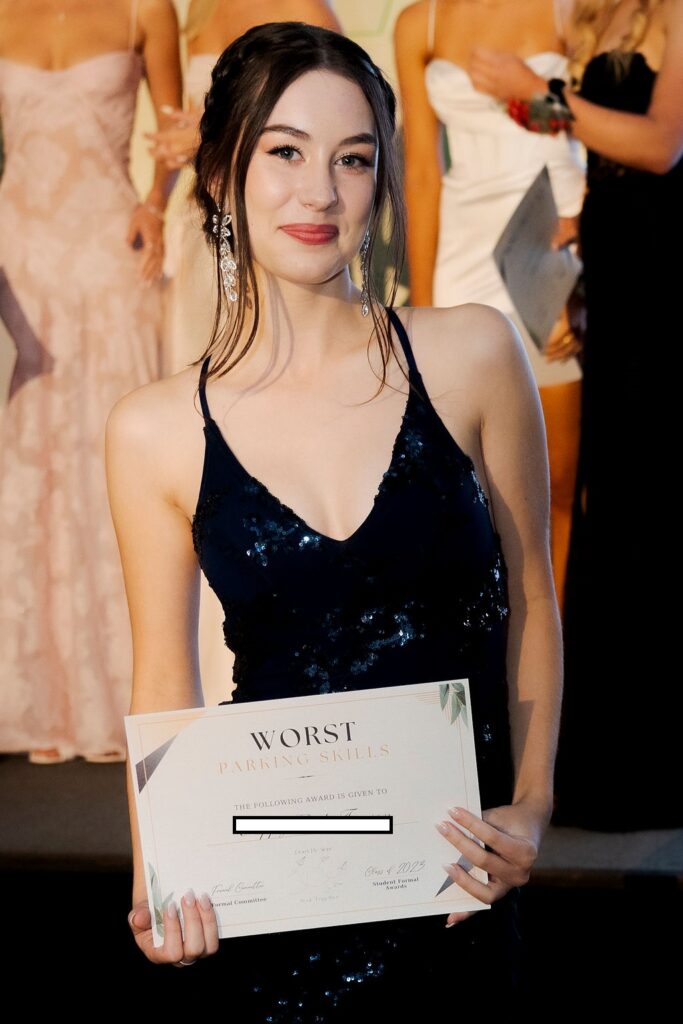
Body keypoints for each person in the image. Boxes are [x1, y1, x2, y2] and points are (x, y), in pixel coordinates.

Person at [105, 22, 561, 1014]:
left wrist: (531, 805)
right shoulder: (153, 430)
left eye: (352, 159)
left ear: (380, 180)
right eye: (285, 152)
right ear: (220, 178)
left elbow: (531, 589)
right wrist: (160, 878)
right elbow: (164, 681)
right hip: (273, 902)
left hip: (457, 891)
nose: (319, 192)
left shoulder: (473, 356)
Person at [467, 0, 683, 829]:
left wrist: (541, 92)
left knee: (646, 497)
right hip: (619, 264)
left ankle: (650, 764)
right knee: (615, 495)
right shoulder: (602, 10)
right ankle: (608, 753)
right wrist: (579, 227)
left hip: (661, 273)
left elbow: (661, 147)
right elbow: (608, 156)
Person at [145, 0, 343, 707]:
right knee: (195, 449)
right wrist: (170, 170)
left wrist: (210, 132)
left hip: (274, 239)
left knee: (267, 433)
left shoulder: (305, 8)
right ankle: (193, 670)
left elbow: (337, 124)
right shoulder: (198, 13)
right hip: (199, 241)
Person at [0, 0, 182, 763]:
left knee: (113, 460)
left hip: (113, 248)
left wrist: (156, 203)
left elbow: (175, 130)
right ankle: (43, 700)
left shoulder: (145, 9)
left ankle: (128, 693)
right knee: (33, 465)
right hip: (20, 253)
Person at [394, 0, 587, 617]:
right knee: (464, 487)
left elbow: (590, 131)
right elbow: (421, 175)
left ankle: (552, 647)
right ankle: (481, 642)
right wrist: (424, 312)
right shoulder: (418, 23)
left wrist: (579, 272)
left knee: (556, 486)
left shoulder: (569, 10)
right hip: (462, 262)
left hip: (549, 255)